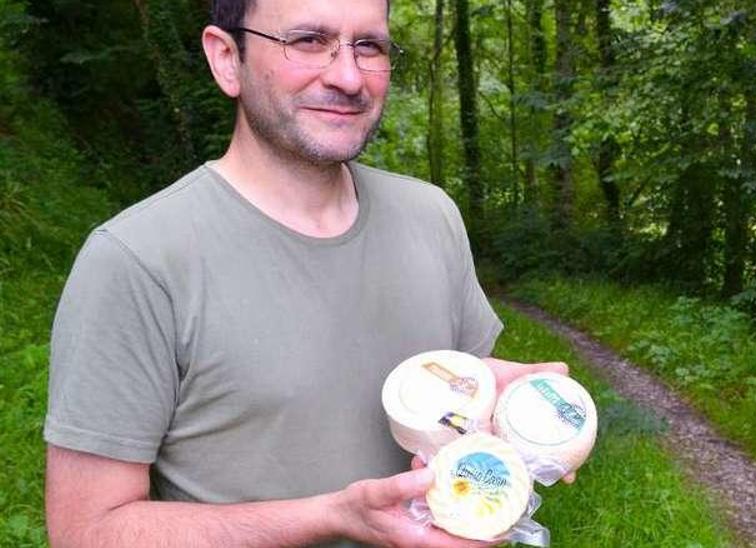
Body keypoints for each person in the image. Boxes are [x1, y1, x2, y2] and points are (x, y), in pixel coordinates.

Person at [42, 0, 569, 545]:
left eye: (369, 46)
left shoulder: (431, 216)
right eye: (308, 40)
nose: (347, 76)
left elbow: (456, 414)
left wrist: (505, 408)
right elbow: (87, 530)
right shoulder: (136, 259)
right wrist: (333, 515)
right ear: (227, 59)